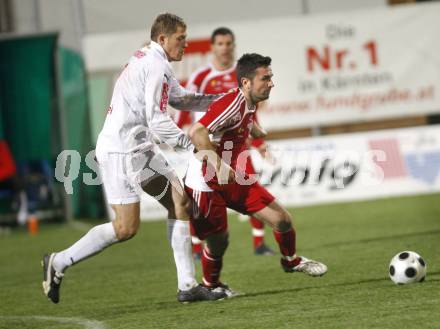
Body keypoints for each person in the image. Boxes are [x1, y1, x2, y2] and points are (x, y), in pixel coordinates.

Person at [42, 13, 226, 304]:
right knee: (126, 228)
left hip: (138, 150)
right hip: (121, 152)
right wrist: (190, 145)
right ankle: (59, 261)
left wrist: (221, 100)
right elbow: (157, 120)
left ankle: (188, 286)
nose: (186, 44)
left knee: (180, 201)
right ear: (162, 39)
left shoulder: (154, 61)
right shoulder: (154, 65)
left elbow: (180, 99)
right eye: (181, 38)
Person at [184, 53, 328, 295]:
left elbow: (238, 123)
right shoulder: (230, 103)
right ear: (246, 83)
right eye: (265, 78)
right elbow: (196, 131)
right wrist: (218, 165)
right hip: (206, 181)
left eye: (270, 77)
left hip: (234, 178)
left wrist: (255, 129)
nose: (271, 82)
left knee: (282, 220)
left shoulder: (251, 102)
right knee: (219, 242)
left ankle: (290, 261)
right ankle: (211, 286)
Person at [175, 27, 275, 257]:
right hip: (207, 145)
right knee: (200, 195)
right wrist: (176, 134)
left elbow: (250, 110)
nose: (225, 47)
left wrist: (258, 143)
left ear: (234, 45)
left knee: (250, 184)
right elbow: (185, 105)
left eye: (229, 43)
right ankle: (198, 247)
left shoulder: (245, 75)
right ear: (212, 47)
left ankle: (259, 244)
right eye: (220, 43)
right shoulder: (201, 77)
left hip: (237, 145)